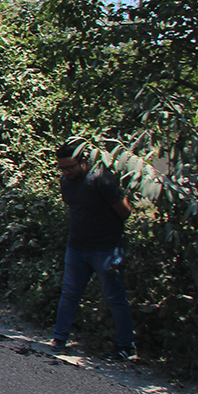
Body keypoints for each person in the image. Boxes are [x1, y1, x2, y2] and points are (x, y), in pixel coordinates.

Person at [51, 142, 135, 359]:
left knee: (114, 298)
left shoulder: (102, 180)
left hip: (106, 249)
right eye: (63, 168)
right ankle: (59, 338)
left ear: (84, 160)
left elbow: (124, 211)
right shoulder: (66, 182)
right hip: (77, 247)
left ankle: (125, 346)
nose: (67, 172)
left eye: (71, 167)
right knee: (69, 293)